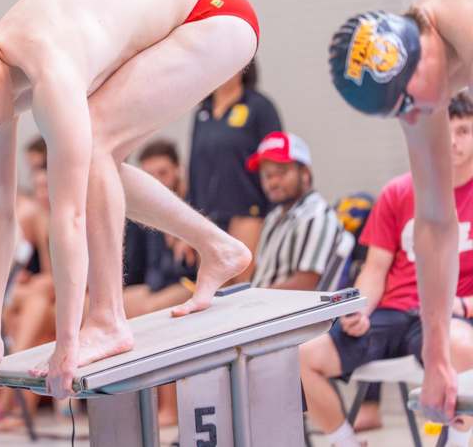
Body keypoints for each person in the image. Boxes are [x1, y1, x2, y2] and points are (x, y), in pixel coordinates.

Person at [0, 0, 259, 398]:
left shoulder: (48, 68)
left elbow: (69, 216)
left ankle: (108, 318)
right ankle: (219, 248)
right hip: (191, 22)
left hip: (214, 18)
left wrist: (68, 342)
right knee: (99, 158)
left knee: (94, 144)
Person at [328, 0, 473, 421]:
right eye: (397, 112)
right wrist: (436, 356)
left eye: (408, 102)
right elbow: (435, 221)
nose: (410, 117)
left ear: (419, 48)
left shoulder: (463, 21)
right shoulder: (416, 84)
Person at [300, 93, 473, 447]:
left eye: (464, 131)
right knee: (304, 356)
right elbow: (375, 270)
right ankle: (344, 441)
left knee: (462, 346)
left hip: (447, 315)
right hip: (393, 312)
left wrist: (466, 306)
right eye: (446, 131)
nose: (453, 141)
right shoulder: (399, 191)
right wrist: (360, 309)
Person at [122, 139, 196, 426]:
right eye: (149, 175)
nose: (156, 182)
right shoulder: (142, 212)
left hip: (189, 283)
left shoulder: (192, 206)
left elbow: (190, 268)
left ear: (178, 171)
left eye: (162, 173)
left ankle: (168, 406)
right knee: (105, 305)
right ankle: (127, 398)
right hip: (158, 285)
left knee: (152, 310)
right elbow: (136, 268)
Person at [187, 60, 282, 281]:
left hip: (248, 213)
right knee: (214, 292)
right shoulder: (203, 112)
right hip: (208, 218)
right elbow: (194, 168)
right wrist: (189, 219)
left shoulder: (259, 107)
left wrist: (275, 213)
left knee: (243, 291)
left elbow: (276, 160)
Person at [246, 131, 344, 290]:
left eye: (281, 173)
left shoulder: (317, 216)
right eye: (266, 175)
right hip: (261, 307)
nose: (272, 182)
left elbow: (305, 286)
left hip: (285, 312)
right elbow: (259, 276)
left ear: (305, 173)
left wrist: (251, 301)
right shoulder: (274, 217)